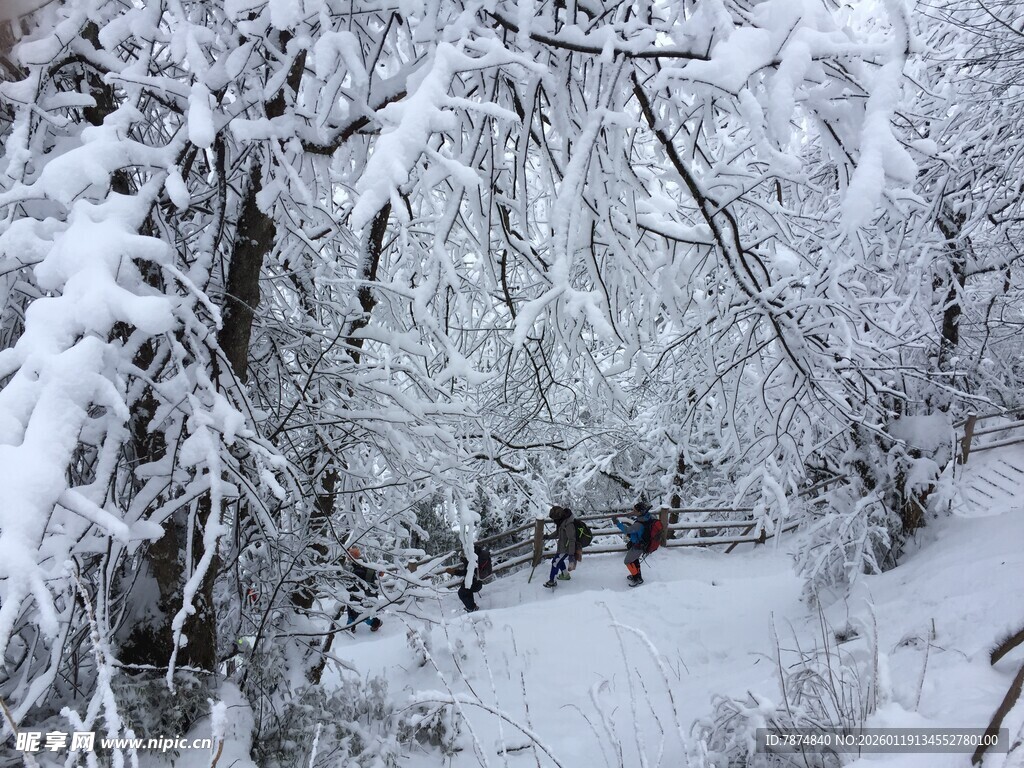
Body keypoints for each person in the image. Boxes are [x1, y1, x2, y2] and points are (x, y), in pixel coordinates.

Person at [614, 501, 653, 587]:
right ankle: (638, 576)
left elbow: (627, 530)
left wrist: (617, 523)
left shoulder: (639, 524)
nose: (633, 512)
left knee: (627, 561)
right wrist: (630, 514)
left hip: (638, 546)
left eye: (635, 511)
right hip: (643, 543)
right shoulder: (647, 517)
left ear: (640, 512)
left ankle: (636, 577)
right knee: (635, 559)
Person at [345, 546, 383, 632]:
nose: (348, 559)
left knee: (356, 610)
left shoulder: (358, 568)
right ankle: (350, 626)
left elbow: (357, 582)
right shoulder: (362, 564)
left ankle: (375, 623)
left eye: (349, 557)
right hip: (361, 593)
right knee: (352, 608)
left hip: (360, 593)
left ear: (353, 557)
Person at [543, 505, 577, 588]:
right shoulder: (562, 522)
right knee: (559, 560)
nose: (554, 521)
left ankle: (552, 581)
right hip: (561, 547)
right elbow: (558, 532)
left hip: (566, 548)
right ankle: (565, 575)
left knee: (555, 562)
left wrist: (571, 554)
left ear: (559, 517)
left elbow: (572, 539)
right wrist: (549, 536)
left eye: (554, 519)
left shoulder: (568, 524)